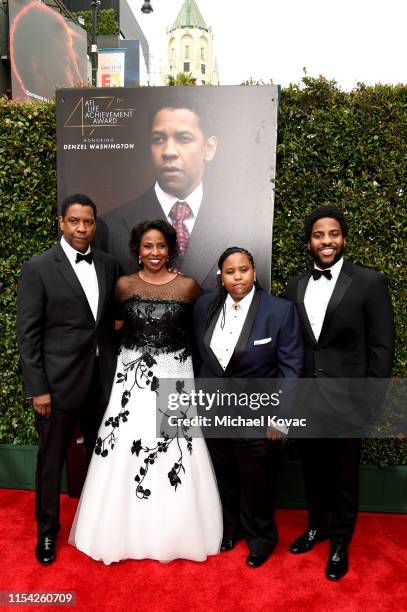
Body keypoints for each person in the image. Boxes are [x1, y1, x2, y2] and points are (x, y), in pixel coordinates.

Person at [69, 220, 222, 563]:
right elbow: (113, 328)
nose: (155, 253)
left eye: (161, 246)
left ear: (171, 249)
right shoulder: (123, 286)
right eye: (148, 246)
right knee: (128, 444)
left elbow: (202, 334)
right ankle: (121, 532)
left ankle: (177, 531)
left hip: (175, 377)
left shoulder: (188, 287)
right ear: (137, 251)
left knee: (174, 449)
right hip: (132, 379)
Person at [286, 205, 394, 580]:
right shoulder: (295, 285)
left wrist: (372, 399)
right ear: (309, 242)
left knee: (346, 476)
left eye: (333, 234)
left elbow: (382, 348)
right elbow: (294, 346)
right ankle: (317, 527)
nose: (326, 241)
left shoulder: (369, 282)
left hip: (350, 400)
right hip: (307, 399)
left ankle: (340, 542)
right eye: (318, 235)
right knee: (313, 470)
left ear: (343, 237)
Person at [16, 194, 120, 565]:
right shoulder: (39, 267)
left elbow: (107, 324)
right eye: (74, 221)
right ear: (61, 222)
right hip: (57, 386)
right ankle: (47, 534)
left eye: (88, 222)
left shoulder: (109, 264)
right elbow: (27, 335)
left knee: (102, 457)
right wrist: (38, 388)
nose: (81, 228)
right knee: (51, 461)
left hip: (101, 382)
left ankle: (96, 526)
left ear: (95, 225)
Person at [193, 247, 303, 568]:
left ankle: (261, 537)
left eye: (244, 269)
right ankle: (230, 529)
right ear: (221, 276)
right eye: (230, 271)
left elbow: (292, 368)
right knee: (223, 474)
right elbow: (201, 358)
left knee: (257, 479)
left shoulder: (279, 311)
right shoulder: (204, 306)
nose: (237, 276)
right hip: (214, 410)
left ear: (254, 272)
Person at [96, 96, 272, 290]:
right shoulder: (111, 228)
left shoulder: (243, 227)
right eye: (158, 139)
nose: (168, 151)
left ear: (209, 148)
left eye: (183, 138)